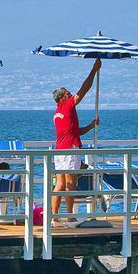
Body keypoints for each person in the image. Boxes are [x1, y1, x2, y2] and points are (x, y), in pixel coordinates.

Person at [50, 59, 101, 226]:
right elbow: (84, 89)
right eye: (67, 92)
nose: (70, 93)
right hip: (70, 150)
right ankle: (71, 217)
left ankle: (54, 217)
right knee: (71, 183)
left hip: (59, 150)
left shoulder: (57, 113)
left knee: (60, 183)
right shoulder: (67, 106)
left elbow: (74, 131)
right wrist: (94, 69)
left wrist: (91, 126)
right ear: (62, 97)